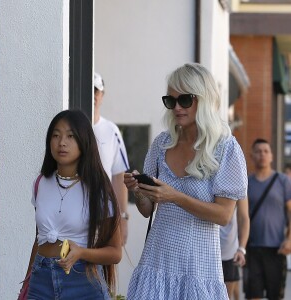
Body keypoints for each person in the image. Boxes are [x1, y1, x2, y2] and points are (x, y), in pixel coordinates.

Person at [124, 63, 248, 299]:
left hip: (199, 268)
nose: (177, 107)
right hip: (157, 262)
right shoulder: (162, 144)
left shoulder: (225, 148)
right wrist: (138, 190)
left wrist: (175, 196)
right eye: (171, 101)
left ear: (204, 100)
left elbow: (223, 215)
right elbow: (147, 209)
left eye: (185, 100)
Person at [22, 110, 122, 299]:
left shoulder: (98, 188)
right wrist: (26, 283)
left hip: (82, 281)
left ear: (84, 141)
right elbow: (39, 239)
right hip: (40, 281)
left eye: (70, 136)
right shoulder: (41, 183)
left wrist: (82, 253)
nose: (62, 142)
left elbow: (115, 253)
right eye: (56, 135)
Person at [246, 138, 291, 300]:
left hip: (276, 249)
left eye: (266, 151)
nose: (262, 155)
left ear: (271, 156)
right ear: (252, 156)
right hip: (252, 248)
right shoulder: (247, 183)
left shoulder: (283, 181)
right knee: (253, 295)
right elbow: (240, 216)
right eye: (258, 151)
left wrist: (289, 240)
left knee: (275, 296)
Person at [93, 72, 130, 245]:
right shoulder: (71, 129)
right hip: (74, 219)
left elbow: (118, 176)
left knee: (104, 269)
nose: (92, 95)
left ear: (102, 95)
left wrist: (122, 218)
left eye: (96, 90)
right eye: (89, 89)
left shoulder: (111, 130)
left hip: (104, 218)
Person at [220, 197, 250, 300]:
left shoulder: (239, 181)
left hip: (229, 251)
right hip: (205, 251)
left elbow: (244, 217)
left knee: (227, 296)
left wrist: (241, 249)